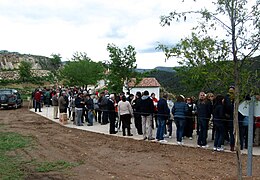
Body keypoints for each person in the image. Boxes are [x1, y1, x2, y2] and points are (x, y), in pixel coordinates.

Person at [224, 86, 235, 151]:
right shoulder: (227, 97)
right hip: (228, 117)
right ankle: (231, 144)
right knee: (230, 131)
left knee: (233, 132)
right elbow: (225, 106)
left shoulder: (236, 97)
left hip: (234, 116)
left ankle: (233, 145)